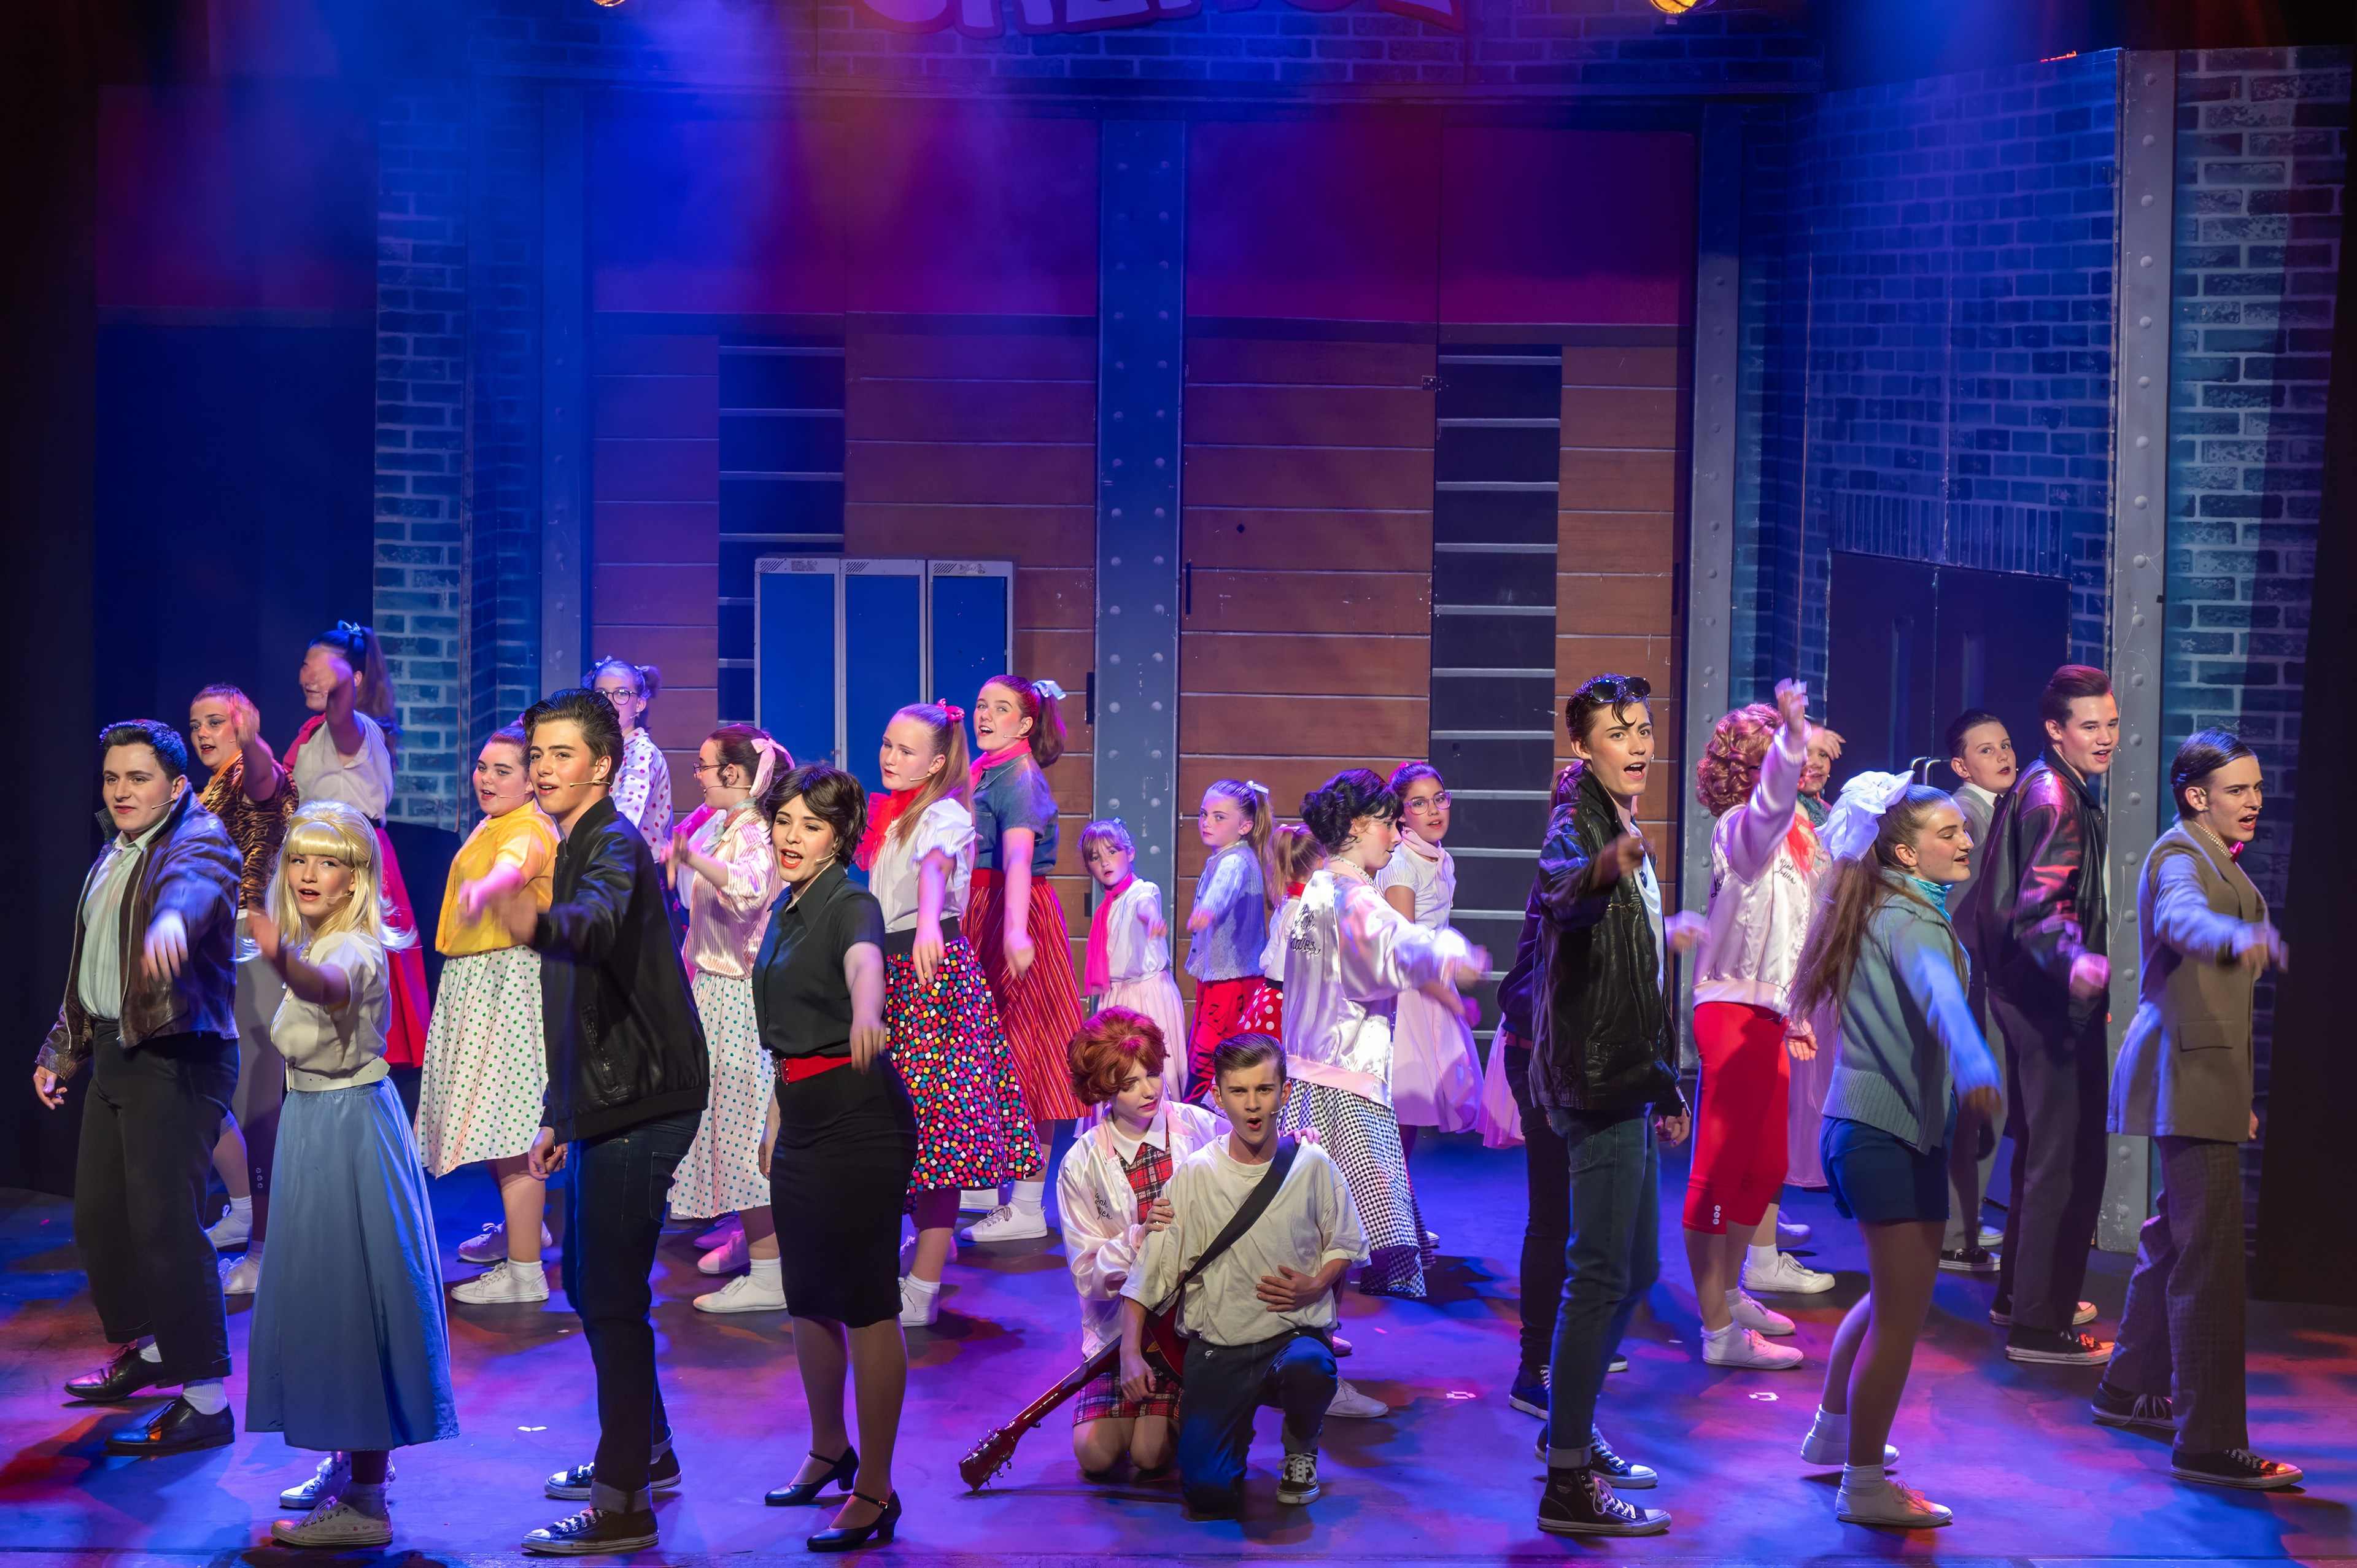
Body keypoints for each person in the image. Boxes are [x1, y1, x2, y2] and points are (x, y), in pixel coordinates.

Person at [493, 688, 710, 1556]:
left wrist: (540, 920)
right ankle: (648, 1449)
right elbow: (576, 999)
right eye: (537, 754)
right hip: (604, 1099)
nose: (544, 768)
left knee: (612, 1296)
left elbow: (592, 927)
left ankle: (624, 1502)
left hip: (643, 1098)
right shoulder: (574, 841)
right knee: (590, 1284)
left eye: (562, 754)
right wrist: (561, 1110)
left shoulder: (612, 843)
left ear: (603, 765)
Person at [1783, 775, 2002, 1528]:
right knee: (1901, 1315)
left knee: (1890, 1298)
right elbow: (1940, 995)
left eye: (1963, 829)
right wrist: (1975, 1065)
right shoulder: (1912, 921)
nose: (1965, 840)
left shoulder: (1884, 904)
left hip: (1875, 1129)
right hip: (1886, 1134)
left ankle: (1834, 1432)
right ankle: (1865, 1482)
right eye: (1949, 831)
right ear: (1906, 852)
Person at [244, 801, 457, 1547]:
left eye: (328, 861)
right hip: (314, 1122)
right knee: (329, 1297)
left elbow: (325, 986)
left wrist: (280, 956)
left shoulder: (354, 948)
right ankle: (349, 1461)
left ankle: (367, 1501)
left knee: (354, 1298)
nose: (309, 873)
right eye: (300, 858)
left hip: (347, 1126)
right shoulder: (318, 936)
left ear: (356, 877)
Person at [2096, 730, 2302, 1490]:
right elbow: (2183, 918)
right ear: (2195, 795)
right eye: (2237, 789)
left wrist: (2234, 1097)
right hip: (2185, 1073)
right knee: (2210, 1259)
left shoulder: (2215, 853)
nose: (2253, 800)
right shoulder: (2181, 854)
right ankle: (2209, 1439)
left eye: (2256, 787)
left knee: (2174, 1239)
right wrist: (2236, 934)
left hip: (2201, 1076)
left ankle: (2126, 1387)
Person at [33, 720, 242, 1456]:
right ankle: (153, 1349)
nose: (122, 791)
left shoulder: (199, 839)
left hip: (176, 1054)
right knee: (102, 1220)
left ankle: (208, 1398)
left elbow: (195, 886)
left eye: (139, 778)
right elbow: (88, 962)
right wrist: (63, 1048)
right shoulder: (116, 848)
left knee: (166, 1226)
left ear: (176, 786)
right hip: (117, 1053)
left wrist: (172, 923)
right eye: (112, 777)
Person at [1527, 674, 1702, 1537]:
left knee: (1632, 1269)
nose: (1638, 743)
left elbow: (1637, 972)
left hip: (1629, 1076)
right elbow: (1561, 893)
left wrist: (1665, 1079)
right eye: (1618, 730)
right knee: (1600, 1272)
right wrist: (1605, 865)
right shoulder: (1580, 821)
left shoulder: (1623, 822)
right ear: (1583, 746)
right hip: (1594, 1083)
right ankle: (1566, 1478)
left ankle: (1570, 1427)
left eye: (1643, 727)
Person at [753, 762, 913, 1550]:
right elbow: (788, 1034)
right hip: (803, 1116)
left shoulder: (851, 901)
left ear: (840, 836)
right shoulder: (786, 907)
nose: (792, 836)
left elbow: (864, 960)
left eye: (811, 825)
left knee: (866, 1300)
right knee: (807, 1293)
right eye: (783, 820)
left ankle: (876, 1488)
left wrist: (868, 1010)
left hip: (861, 1121)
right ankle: (828, 1449)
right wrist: (775, 1116)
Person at [1118, 1033, 1369, 1519]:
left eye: (1264, 1089)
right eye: (1238, 1091)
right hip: (1219, 1350)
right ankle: (1230, 1430)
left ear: (1285, 1092)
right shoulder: (1195, 1175)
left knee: (1311, 1368)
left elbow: (1345, 1242)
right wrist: (1130, 1350)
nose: (1253, 1104)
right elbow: (1150, 1270)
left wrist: (1318, 1282)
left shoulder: (1313, 1165)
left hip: (1292, 1338)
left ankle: (1301, 1445)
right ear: (1217, 1095)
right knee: (1208, 1492)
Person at [856, 700, 1039, 1329]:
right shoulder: (891, 815)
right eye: (887, 744)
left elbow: (934, 869)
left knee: (939, 1133)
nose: (890, 757)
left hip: (931, 977)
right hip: (889, 972)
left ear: (936, 763)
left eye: (906, 750)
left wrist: (931, 921)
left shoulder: (946, 814)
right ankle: (905, 1256)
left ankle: (925, 1285)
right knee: (895, 1129)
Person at [1279, 767, 1484, 1323]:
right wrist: (1453, 954)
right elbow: (1395, 946)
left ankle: (1312, 1334)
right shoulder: (1352, 896)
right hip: (1346, 1080)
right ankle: (1309, 1336)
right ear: (1357, 824)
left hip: (1311, 1073)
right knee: (1340, 1225)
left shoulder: (1320, 886)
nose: (1395, 836)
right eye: (1388, 824)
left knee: (1319, 1217)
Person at [1963, 665, 2116, 1364]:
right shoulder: (2056, 797)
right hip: (2049, 1001)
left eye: (2111, 723)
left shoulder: (2042, 782)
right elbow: (2041, 906)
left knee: (2042, 1154)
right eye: (2090, 725)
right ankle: (2040, 1322)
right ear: (2056, 729)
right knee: (2068, 1160)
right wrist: (2077, 963)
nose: (2105, 737)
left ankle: (2021, 1297)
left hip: (2028, 994)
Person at [1684, 681, 1834, 1375]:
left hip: (1767, 1010)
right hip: (1731, 1009)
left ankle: (1729, 1292)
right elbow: (1772, 804)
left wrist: (1795, 1007)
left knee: (1767, 1165)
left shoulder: (1799, 834)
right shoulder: (1742, 827)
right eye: (1772, 747)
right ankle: (1716, 1326)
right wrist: (1795, 737)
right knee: (1721, 1169)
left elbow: (1793, 931)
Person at [418, 724, 562, 1305]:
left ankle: (526, 1273)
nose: (486, 778)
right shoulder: (498, 820)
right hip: (480, 980)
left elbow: (512, 867)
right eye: (483, 767)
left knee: (512, 1128)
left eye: (503, 770)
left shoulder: (527, 827)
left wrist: (488, 890)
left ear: (531, 782)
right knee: (497, 1124)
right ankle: (522, 1233)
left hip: (507, 984)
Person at [1057, 1008, 1225, 1476]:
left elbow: (1254, 1163)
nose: (1149, 1090)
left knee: (1150, 1453)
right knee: (1094, 1455)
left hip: (1187, 1327)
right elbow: (1087, 1273)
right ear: (1103, 1089)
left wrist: (1292, 1141)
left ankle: (1190, 1405)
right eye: (1130, 1083)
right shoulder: (1081, 1162)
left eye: (1152, 1073)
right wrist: (1137, 1236)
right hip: (1118, 1331)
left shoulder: (1200, 1127)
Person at [662, 724, 790, 1313]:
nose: (698, 775)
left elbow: (749, 891)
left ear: (733, 773)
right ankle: (751, 1237)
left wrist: (694, 858)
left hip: (739, 996)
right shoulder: (724, 824)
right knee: (725, 1123)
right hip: (713, 989)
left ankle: (770, 1270)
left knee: (745, 1134)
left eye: (704, 766)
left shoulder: (757, 831)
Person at [962, 675, 1086, 1244]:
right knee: (988, 1047)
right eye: (982, 705)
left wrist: (1014, 929)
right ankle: (987, 1179)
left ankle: (1030, 1202)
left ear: (1027, 722)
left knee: (1029, 1051)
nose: (985, 715)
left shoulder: (1020, 777)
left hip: (1015, 910)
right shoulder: (986, 768)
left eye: (1001, 707)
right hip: (982, 909)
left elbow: (1017, 858)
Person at [187, 684, 298, 1296]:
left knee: (257, 1104)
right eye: (196, 723)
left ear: (242, 724)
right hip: (213, 951)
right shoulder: (211, 785)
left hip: (251, 948)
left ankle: (264, 1250)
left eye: (216, 721)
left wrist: (254, 745)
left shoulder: (255, 773)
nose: (203, 732)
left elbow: (264, 779)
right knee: (210, 1090)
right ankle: (243, 1208)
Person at [288, 623, 430, 1072]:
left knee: (353, 964)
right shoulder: (312, 734)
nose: (310, 676)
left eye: (324, 668)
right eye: (306, 666)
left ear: (355, 680)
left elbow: (340, 716)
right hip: (319, 858)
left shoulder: (355, 729)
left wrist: (338, 684)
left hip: (353, 859)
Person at [1940, 708, 2016, 1272]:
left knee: (1986, 1105)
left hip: (1987, 980)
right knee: (1977, 1106)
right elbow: (1962, 905)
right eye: (1986, 750)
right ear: (1961, 765)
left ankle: (1963, 1219)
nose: (2003, 756)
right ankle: (1952, 1232)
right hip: (1974, 982)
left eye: (2005, 744)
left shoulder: (2000, 809)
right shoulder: (1965, 812)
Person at [1379, 763, 1482, 1152]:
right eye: (1419, 803)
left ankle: (1400, 1188)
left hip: (1433, 987)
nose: (1435, 810)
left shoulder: (1440, 857)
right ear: (1401, 813)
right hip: (1408, 996)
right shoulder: (1401, 864)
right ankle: (1391, 1189)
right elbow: (1407, 952)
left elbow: (1436, 930)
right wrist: (1452, 998)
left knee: (1411, 1116)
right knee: (1401, 1110)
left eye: (1439, 799)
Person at [1081, 819, 1188, 1102]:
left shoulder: (1142, 891)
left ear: (1130, 853)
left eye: (1112, 852)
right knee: (1115, 1074)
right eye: (1095, 857)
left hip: (1146, 994)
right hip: (1117, 995)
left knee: (1151, 1068)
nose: (1105, 862)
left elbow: (1145, 906)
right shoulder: (1107, 906)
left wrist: (1153, 919)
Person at [1182, 779, 1275, 1102]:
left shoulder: (1235, 860)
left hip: (1232, 981)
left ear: (1245, 826)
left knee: (1213, 1060)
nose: (1206, 822)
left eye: (1219, 817)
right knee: (1213, 1058)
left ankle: (1202, 1115)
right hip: (1220, 977)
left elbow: (1225, 888)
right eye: (1203, 814)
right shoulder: (1225, 856)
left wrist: (1208, 910)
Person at [1239, 824, 1323, 1045]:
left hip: (1271, 997)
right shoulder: (1302, 911)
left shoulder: (1288, 903)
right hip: (1285, 1002)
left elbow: (1270, 957)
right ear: (1320, 863)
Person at [587, 657, 673, 855]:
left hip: (633, 866)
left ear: (639, 705)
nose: (609, 702)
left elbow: (627, 813)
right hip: (604, 857)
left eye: (621, 693)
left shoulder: (643, 752)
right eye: (601, 694)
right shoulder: (596, 749)